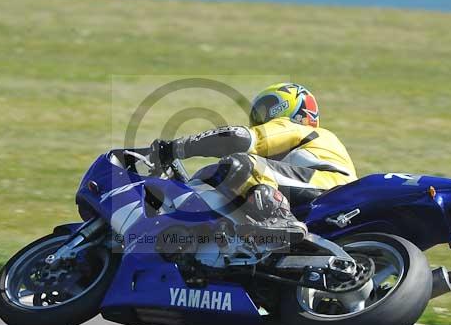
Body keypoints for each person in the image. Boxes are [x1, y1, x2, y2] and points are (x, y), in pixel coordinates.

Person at [151, 82, 357, 244]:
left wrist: (173, 148)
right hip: (320, 199)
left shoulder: (299, 129)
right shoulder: (280, 164)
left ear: (289, 106)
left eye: (266, 108)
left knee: (242, 163)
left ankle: (283, 220)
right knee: (227, 173)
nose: (259, 117)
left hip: (329, 185)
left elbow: (239, 138)